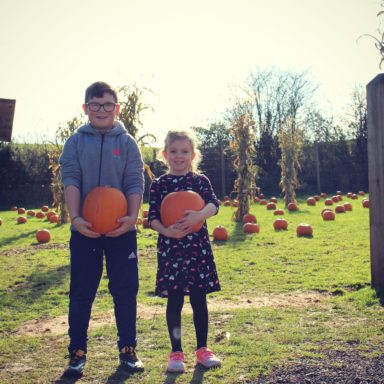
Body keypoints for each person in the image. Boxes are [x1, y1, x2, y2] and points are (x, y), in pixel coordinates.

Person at [59, 81, 145, 377]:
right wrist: (75, 218)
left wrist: (132, 217)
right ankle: (77, 352)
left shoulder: (127, 143)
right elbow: (71, 179)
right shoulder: (75, 142)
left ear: (116, 108)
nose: (102, 110)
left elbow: (135, 181)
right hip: (85, 229)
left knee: (125, 291)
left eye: (108, 104)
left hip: (123, 229)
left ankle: (128, 350)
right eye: (95, 105)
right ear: (86, 108)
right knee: (81, 292)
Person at [148, 130, 222, 373]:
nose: (179, 156)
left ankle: (203, 350)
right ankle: (176, 353)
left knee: (199, 300)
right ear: (165, 154)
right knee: (175, 301)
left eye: (184, 151)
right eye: (174, 151)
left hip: (197, 250)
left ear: (193, 155)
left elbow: (214, 204)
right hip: (172, 251)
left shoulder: (200, 181)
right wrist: (167, 232)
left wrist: (200, 215)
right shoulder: (160, 185)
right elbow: (153, 218)